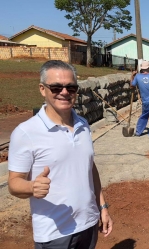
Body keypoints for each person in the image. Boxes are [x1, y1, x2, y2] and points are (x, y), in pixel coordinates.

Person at [7, 60, 113, 248]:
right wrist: (32, 187)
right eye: (56, 87)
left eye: (70, 88)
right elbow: (14, 183)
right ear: (42, 89)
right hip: (55, 234)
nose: (64, 92)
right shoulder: (26, 132)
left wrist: (102, 207)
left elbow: (90, 168)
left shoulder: (83, 124)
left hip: (88, 224)